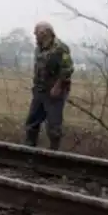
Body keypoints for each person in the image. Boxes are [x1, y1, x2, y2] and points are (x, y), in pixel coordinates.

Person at [24, 21, 73, 150]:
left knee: (53, 125)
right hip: (40, 90)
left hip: (54, 92)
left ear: (45, 33)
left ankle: (53, 154)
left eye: (37, 32)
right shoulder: (38, 48)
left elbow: (67, 69)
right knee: (32, 122)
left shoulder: (60, 48)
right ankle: (29, 150)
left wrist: (57, 87)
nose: (35, 35)